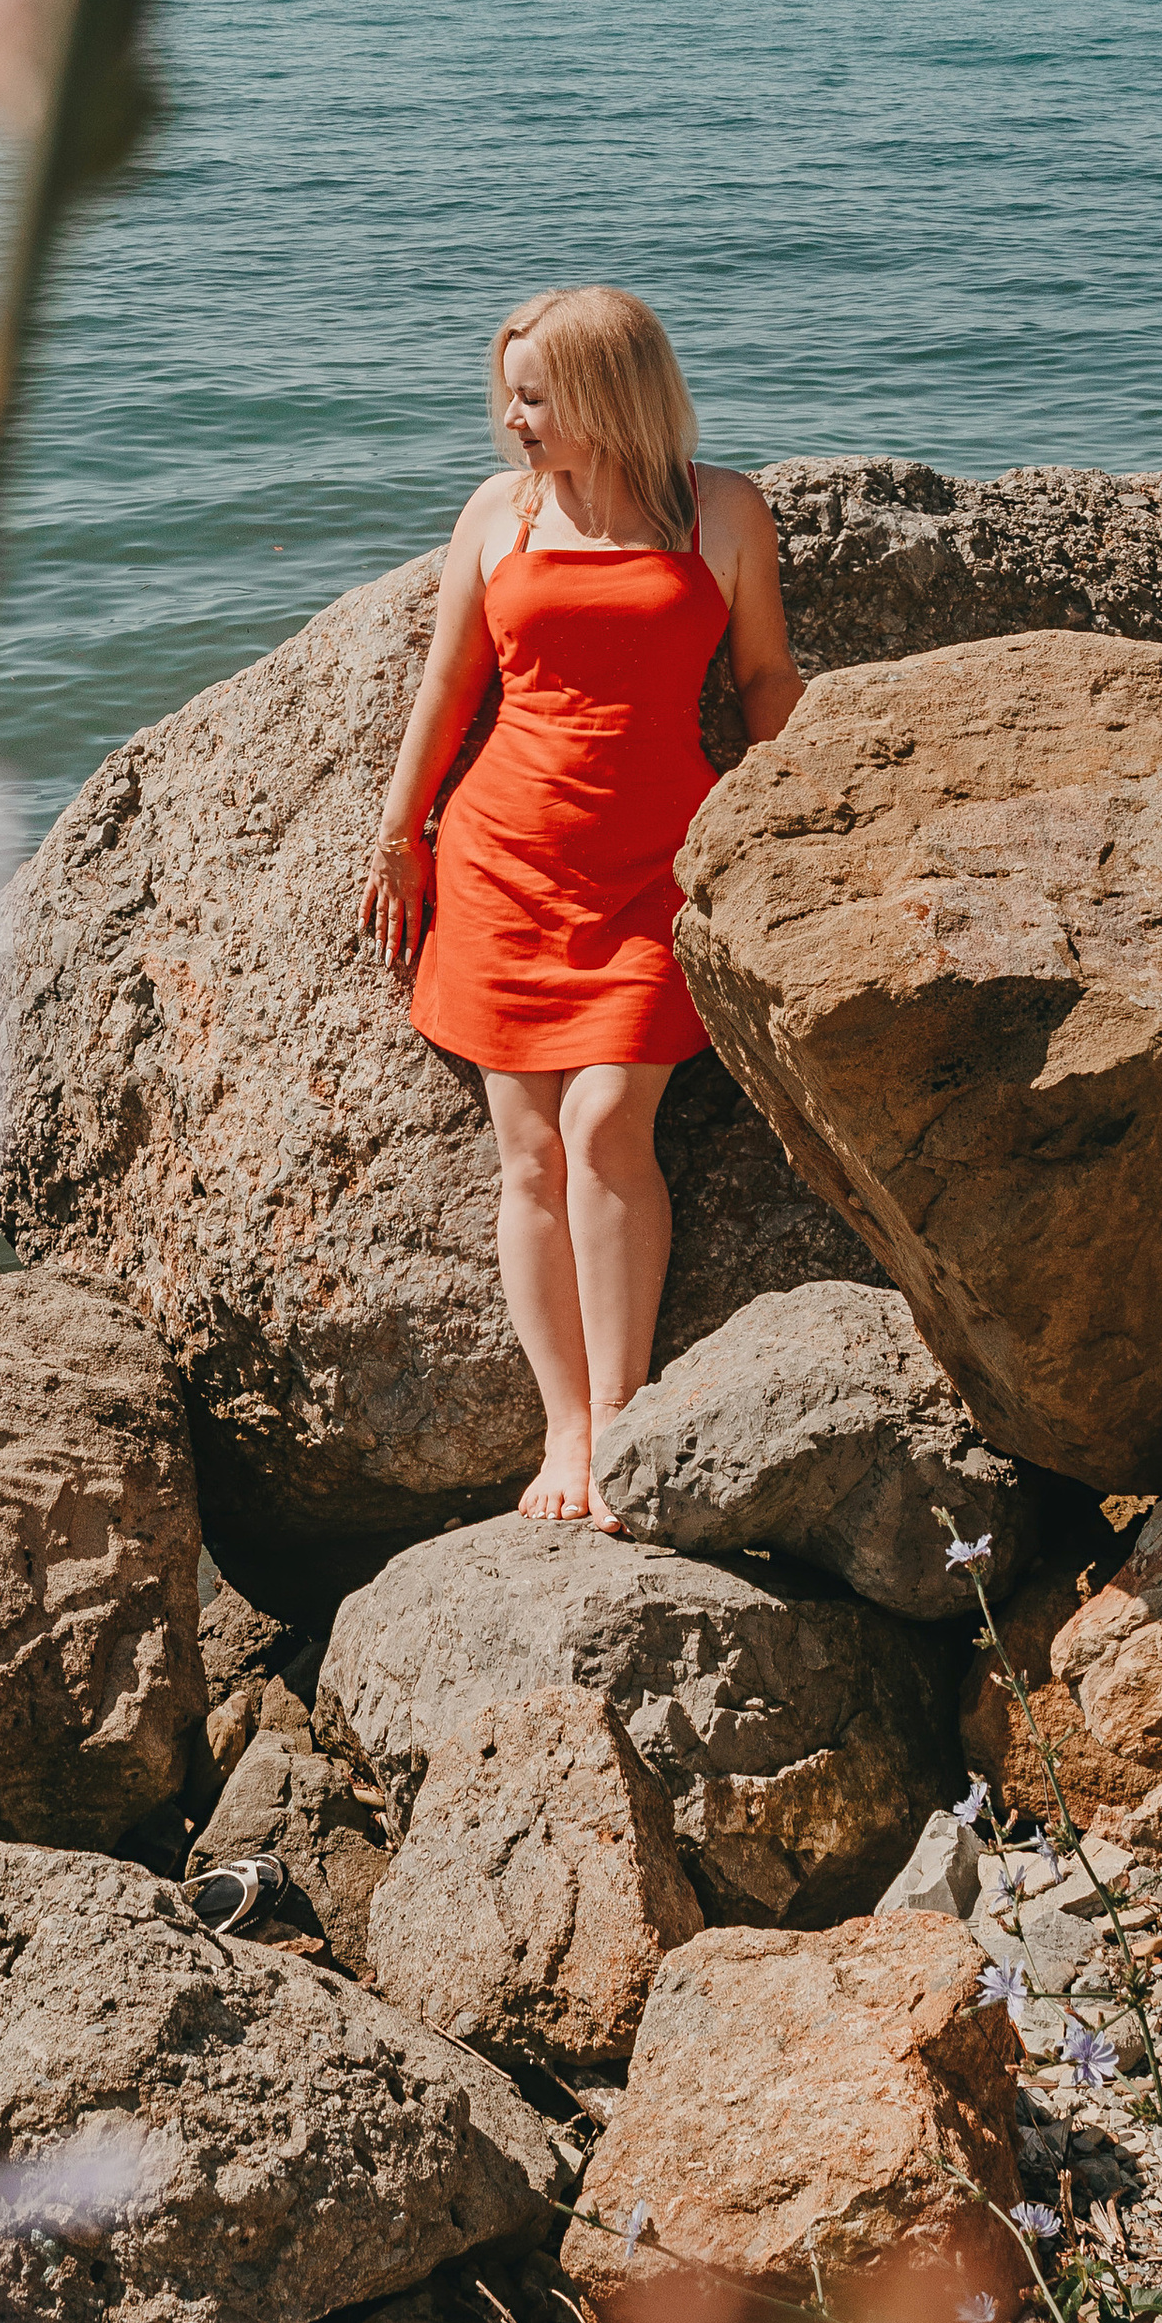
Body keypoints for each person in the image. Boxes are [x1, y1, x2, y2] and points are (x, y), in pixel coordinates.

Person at [358, 287, 803, 1528]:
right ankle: (565, 1432)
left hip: (658, 860)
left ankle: (623, 1414)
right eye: (508, 389)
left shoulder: (722, 512)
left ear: (609, 390)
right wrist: (402, 830)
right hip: (504, 854)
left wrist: (822, 811)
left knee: (610, 1121)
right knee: (528, 1153)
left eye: (535, 393)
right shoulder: (498, 516)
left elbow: (763, 679)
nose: (511, 415)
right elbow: (451, 682)